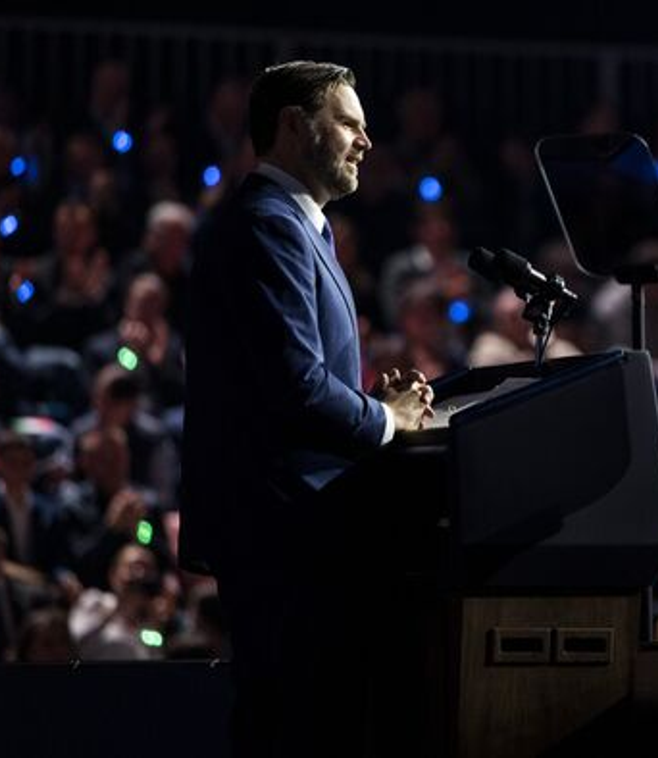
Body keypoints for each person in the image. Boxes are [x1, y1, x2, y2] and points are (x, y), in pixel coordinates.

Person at [180, 60, 433, 757]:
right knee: (293, 727)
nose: (366, 141)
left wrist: (371, 403)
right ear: (294, 126)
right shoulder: (268, 224)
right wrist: (386, 420)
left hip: (293, 529)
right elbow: (295, 387)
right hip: (284, 532)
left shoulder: (298, 226)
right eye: (348, 123)